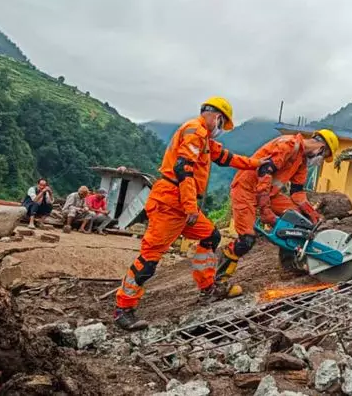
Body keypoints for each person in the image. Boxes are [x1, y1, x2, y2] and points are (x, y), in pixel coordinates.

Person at [113, 96, 268, 331]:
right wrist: (190, 207)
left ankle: (208, 288)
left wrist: (257, 164)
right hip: (170, 203)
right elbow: (182, 169)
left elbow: (228, 158)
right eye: (221, 123)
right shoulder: (194, 131)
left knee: (211, 236)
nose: (220, 129)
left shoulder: (204, 139)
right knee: (149, 260)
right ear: (216, 116)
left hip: (182, 205)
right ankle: (123, 308)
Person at [214, 129, 339, 296]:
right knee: (247, 239)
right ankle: (219, 283)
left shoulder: (301, 161)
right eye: (324, 156)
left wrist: (311, 213)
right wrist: (265, 209)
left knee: (296, 221)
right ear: (321, 148)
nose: (320, 161)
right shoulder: (288, 145)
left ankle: (289, 266)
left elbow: (297, 192)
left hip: (269, 193)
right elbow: (264, 171)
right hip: (246, 189)